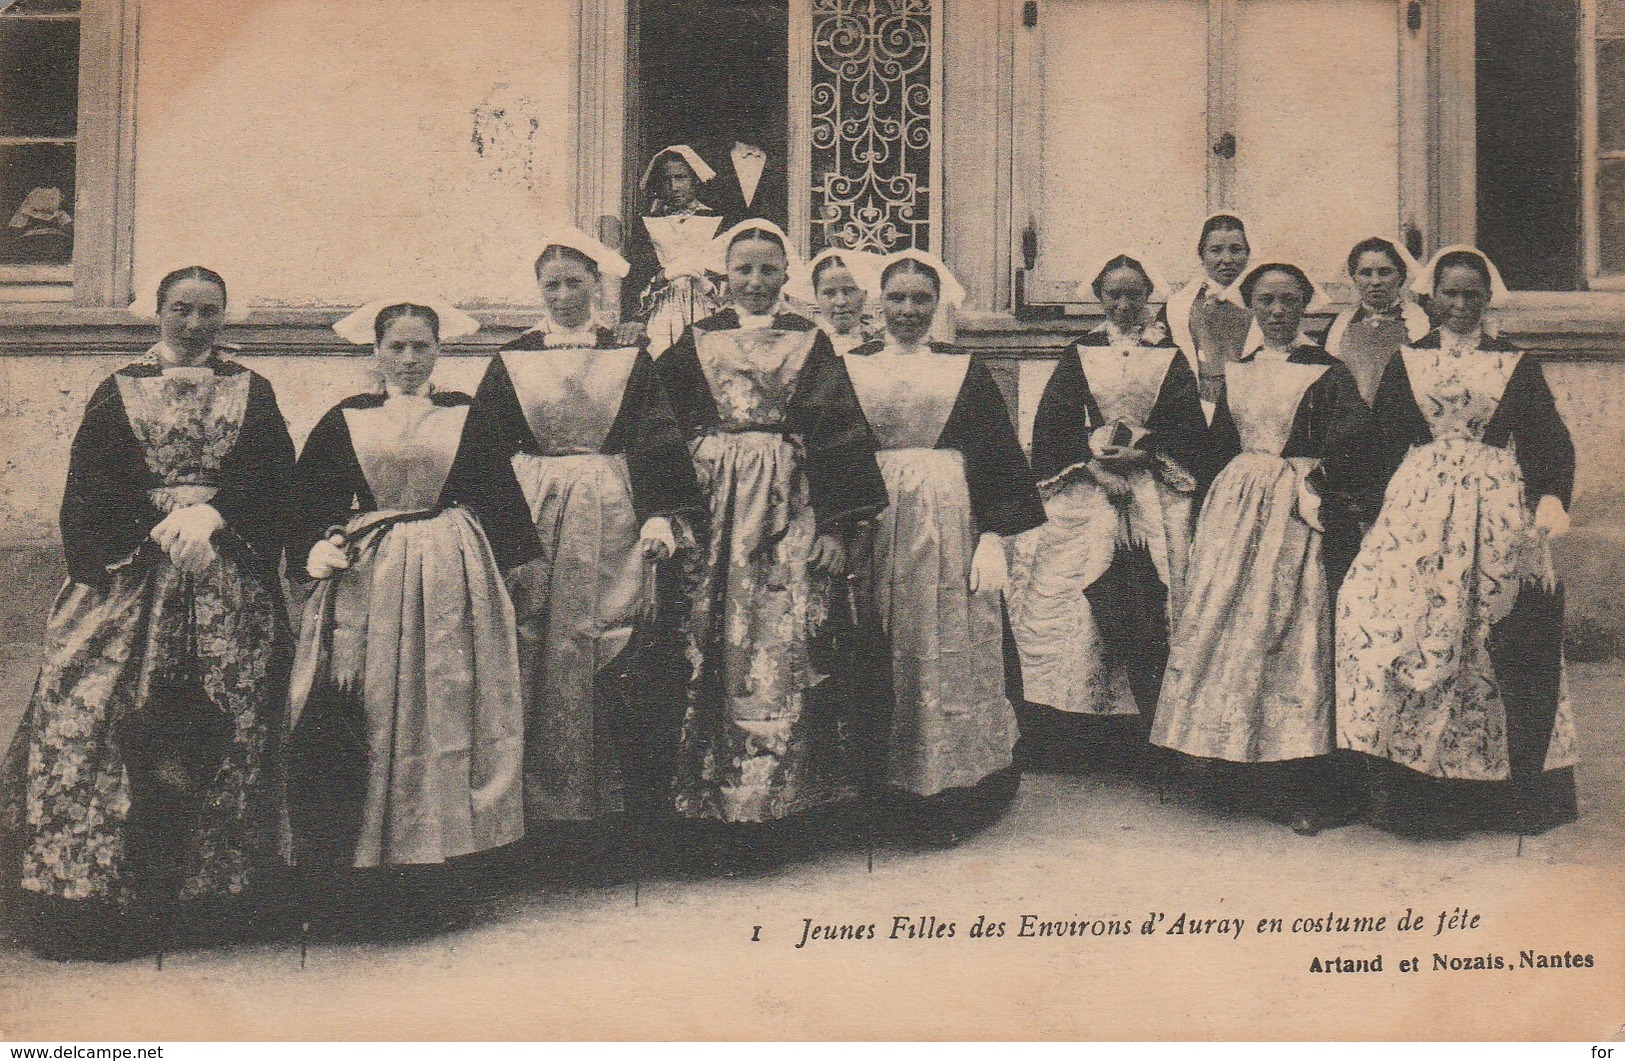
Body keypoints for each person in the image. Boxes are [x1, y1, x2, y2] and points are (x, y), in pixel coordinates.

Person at [0, 266, 295, 960]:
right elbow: (89, 485)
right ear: (156, 312)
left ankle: (209, 902)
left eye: (209, 312)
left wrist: (217, 515)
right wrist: (154, 521)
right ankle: (93, 904)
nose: (194, 325)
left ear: (226, 317)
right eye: (181, 310)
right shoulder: (117, 390)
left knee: (229, 721)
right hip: (130, 578)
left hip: (223, 578)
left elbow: (274, 475)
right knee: (92, 715)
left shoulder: (254, 390)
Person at [285, 299, 539, 932]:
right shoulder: (346, 419)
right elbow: (310, 497)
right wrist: (315, 542)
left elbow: (499, 497)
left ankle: (441, 870)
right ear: (374, 353)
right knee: (372, 707)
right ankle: (365, 871)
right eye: (395, 348)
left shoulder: (463, 415)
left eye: (419, 348)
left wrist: (519, 575)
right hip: (373, 576)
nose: (407, 360)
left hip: (455, 573)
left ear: (437, 351)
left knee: (445, 707)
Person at [656, 219, 888, 870]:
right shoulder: (694, 342)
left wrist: (838, 527)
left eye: (766, 270)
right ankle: (706, 801)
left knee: (785, 640)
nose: (754, 282)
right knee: (707, 636)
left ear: (785, 277)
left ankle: (781, 804)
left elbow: (840, 433)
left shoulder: (809, 342)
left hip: (789, 502)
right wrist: (670, 510)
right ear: (722, 278)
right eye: (742, 271)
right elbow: (660, 424)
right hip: (713, 504)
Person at [469, 230, 703, 868]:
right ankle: (531, 816)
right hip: (535, 506)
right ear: (538, 290)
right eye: (554, 285)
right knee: (535, 646)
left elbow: (656, 437)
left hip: (611, 509)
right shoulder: (513, 357)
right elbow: (486, 449)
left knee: (609, 642)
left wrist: (661, 514)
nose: (566, 295)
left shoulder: (629, 354)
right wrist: (501, 526)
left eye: (578, 283)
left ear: (598, 287)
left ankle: (610, 811)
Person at [1337, 246, 1578, 838]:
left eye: (1473, 294)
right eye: (1451, 293)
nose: (1461, 304)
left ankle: (1491, 793)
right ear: (1431, 295)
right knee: (1394, 621)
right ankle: (1413, 792)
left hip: (1493, 508)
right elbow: (1381, 440)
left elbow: (1547, 437)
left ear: (1488, 297)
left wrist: (1547, 498)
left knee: (1484, 633)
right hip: (1416, 508)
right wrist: (1358, 503)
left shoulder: (1515, 362)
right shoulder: (1407, 361)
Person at [1152, 262, 1373, 835]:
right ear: (1251, 305)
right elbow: (1221, 442)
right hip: (1236, 509)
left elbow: (1352, 446)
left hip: (1297, 509)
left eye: (1289, 301)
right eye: (1267, 301)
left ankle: (1294, 775)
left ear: (1305, 305)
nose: (1278, 312)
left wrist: (1315, 486)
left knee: (1289, 629)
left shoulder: (1328, 371)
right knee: (1223, 624)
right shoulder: (1239, 369)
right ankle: (1227, 767)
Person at [843, 250, 1044, 844]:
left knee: (945, 640)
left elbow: (998, 458)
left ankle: (950, 793)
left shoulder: (965, 368)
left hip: (949, 524)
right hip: (872, 523)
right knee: (879, 642)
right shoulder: (848, 367)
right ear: (879, 304)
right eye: (897, 299)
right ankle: (874, 795)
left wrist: (993, 537)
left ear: (938, 306)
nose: (908, 310)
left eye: (920, 300)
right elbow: (832, 451)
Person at [1008, 253, 1211, 769]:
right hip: (1091, 487)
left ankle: (1147, 733)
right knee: (1074, 600)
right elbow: (1051, 427)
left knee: (1157, 592)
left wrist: (1146, 453)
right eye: (1113, 295)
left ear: (1148, 298)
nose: (1123, 305)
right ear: (1099, 298)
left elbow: (1189, 429)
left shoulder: (1170, 355)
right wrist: (1092, 463)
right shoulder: (1080, 352)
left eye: (1133, 295)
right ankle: (1075, 734)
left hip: (1152, 490)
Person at [626, 146, 725, 356]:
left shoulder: (716, 221)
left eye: (680, 178)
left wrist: (707, 284)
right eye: (665, 180)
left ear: (695, 179)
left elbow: (727, 274)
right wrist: (664, 275)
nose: (673, 187)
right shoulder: (649, 223)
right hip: (662, 312)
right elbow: (636, 278)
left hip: (705, 307)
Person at [1163, 213, 1254, 422]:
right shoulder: (1178, 307)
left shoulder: (1263, 303)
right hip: (1197, 412)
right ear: (1202, 255)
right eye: (1216, 250)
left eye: (1236, 249)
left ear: (1248, 253)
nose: (1227, 259)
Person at [1323, 237, 1430, 405]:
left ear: (1401, 276)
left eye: (1385, 272)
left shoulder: (1420, 324)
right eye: (1365, 273)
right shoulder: (1338, 326)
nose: (1375, 281)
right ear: (1354, 277)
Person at [788, 247, 883, 354]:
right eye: (829, 293)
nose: (840, 302)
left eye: (849, 291)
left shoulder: (884, 344)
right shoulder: (803, 348)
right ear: (816, 297)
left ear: (865, 293)